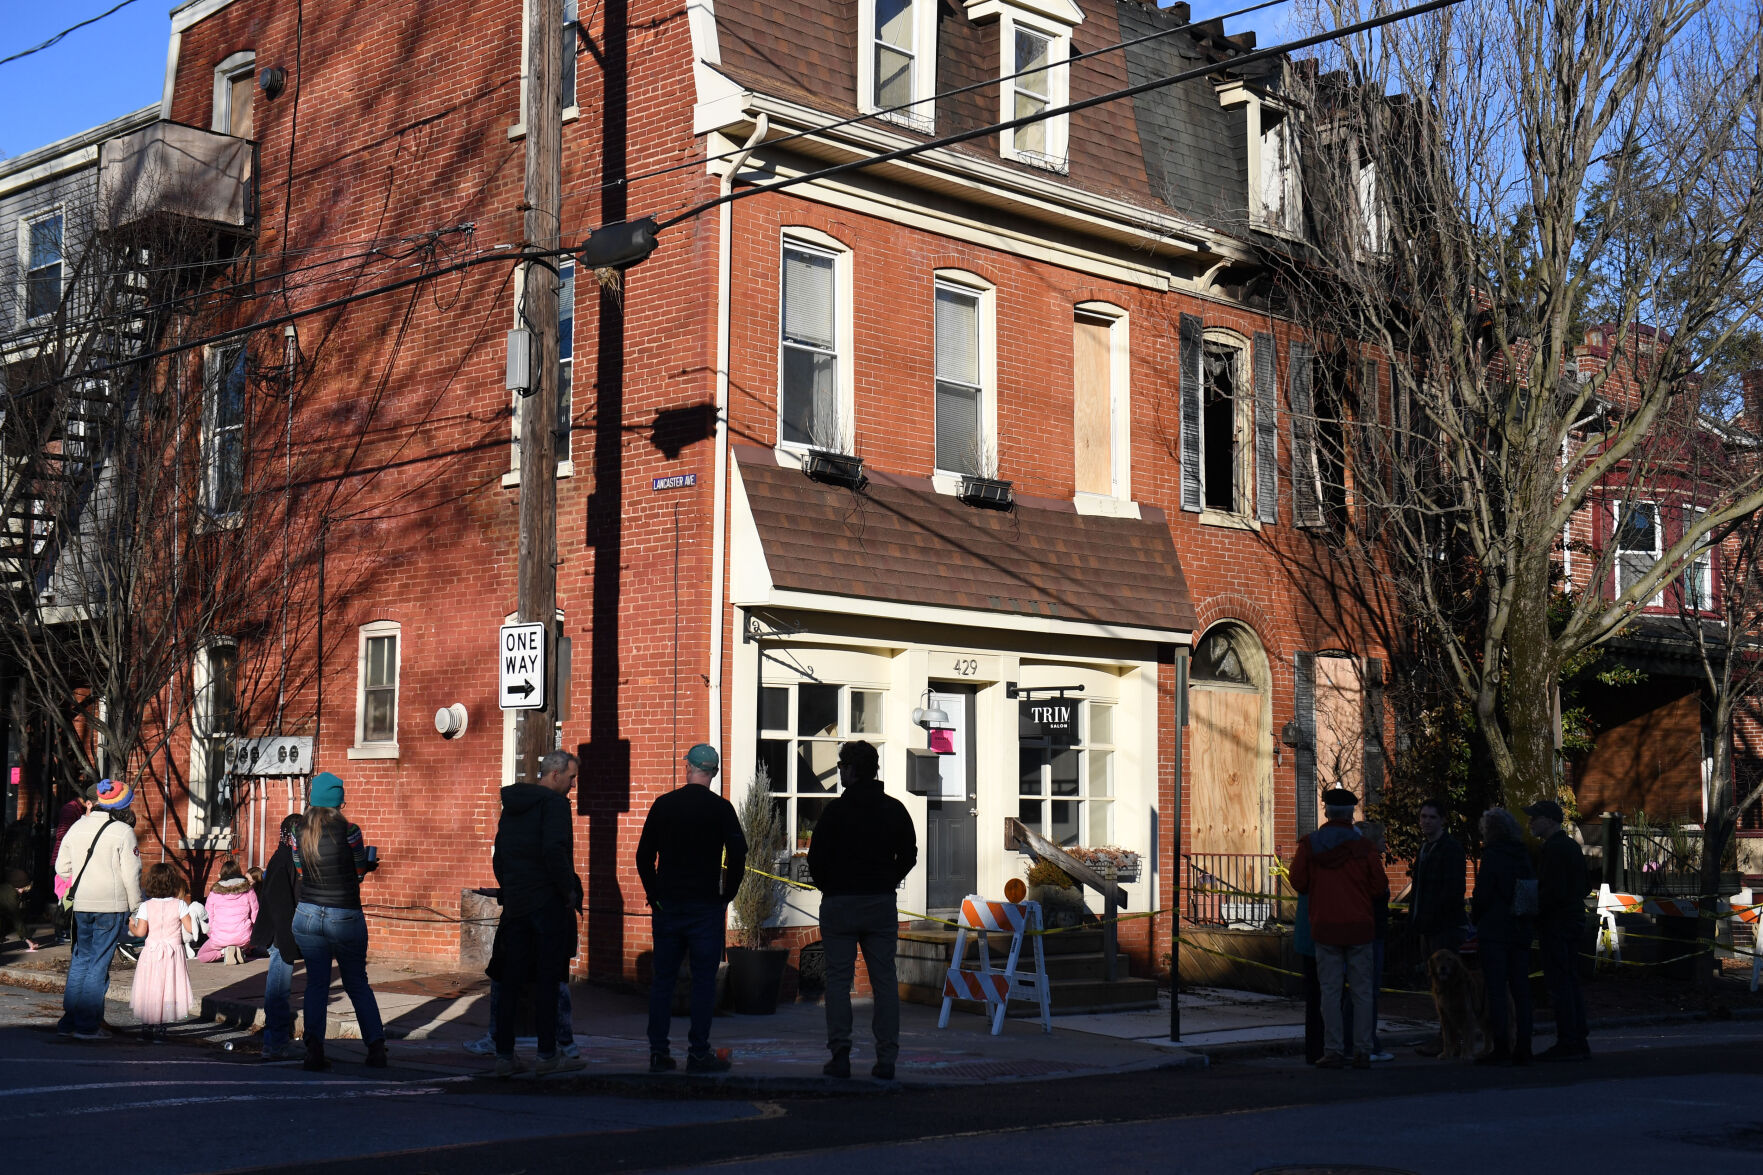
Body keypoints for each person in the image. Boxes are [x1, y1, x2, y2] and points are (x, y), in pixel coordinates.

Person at [807, 740, 917, 1080]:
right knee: (884, 980)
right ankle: (887, 1059)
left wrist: (831, 886)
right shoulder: (894, 809)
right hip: (879, 901)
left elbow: (815, 859)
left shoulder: (835, 812)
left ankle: (840, 1056)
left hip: (840, 902)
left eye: (842, 766)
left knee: (838, 982)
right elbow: (909, 854)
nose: (839, 771)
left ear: (853, 770)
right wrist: (888, 879)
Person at [636, 743, 746, 1075]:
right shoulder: (722, 809)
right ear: (712, 773)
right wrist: (728, 893)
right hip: (705, 906)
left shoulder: (664, 805)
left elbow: (643, 856)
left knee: (663, 980)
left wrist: (654, 893)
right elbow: (739, 855)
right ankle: (698, 1053)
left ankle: (658, 1052)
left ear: (688, 767)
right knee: (703, 981)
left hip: (668, 903)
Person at [488, 749, 586, 1078]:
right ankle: (547, 1055)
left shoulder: (513, 806)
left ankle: (504, 1056)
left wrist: (511, 885)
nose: (573, 786)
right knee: (547, 980)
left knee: (510, 981)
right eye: (571, 778)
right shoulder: (555, 805)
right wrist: (568, 890)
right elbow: (554, 851)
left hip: (516, 903)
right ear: (555, 775)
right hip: (546, 903)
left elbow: (499, 855)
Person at [291, 772, 386, 1071]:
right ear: (338, 802)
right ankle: (376, 1049)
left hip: (307, 913)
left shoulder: (298, 831)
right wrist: (366, 867)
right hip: (344, 913)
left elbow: (302, 872)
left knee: (316, 984)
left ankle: (314, 1050)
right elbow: (357, 871)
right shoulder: (351, 831)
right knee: (357, 983)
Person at [1289, 787, 1388, 1070]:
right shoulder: (1365, 848)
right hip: (1359, 927)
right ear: (1351, 814)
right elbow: (1379, 886)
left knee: (1329, 992)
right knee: (1361, 992)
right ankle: (1362, 1049)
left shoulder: (1310, 844)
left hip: (1325, 926)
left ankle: (1332, 1049)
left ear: (1326, 812)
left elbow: (1298, 882)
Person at [54, 777, 141, 1039]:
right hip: (111, 905)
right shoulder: (123, 832)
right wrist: (136, 907)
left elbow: (62, 868)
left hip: (82, 903)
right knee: (99, 964)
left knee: (81, 960)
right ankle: (88, 1024)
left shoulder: (77, 827)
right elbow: (131, 874)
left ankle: (69, 1019)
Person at [1527, 798, 1590, 1061]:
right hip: (1572, 920)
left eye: (1535, 818)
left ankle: (1568, 1039)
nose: (1530, 823)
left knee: (1559, 982)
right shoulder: (1571, 847)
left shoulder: (1553, 850)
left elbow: (1551, 892)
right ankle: (1577, 1037)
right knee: (1570, 979)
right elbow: (1584, 885)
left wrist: (1534, 908)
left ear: (1550, 821)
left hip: (1557, 923)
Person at [1471, 806, 1535, 1066]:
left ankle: (1501, 1045)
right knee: (1521, 989)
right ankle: (1524, 1044)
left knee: (1497, 990)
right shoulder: (1523, 854)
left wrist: (1476, 915)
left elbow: (1484, 894)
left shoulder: (1493, 856)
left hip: (1495, 930)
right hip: (1520, 929)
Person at [1408, 796, 1468, 1056]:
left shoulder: (1450, 849)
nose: (1426, 822)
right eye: (1423, 817)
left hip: (1444, 927)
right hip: (1426, 926)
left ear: (1442, 820)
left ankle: (1451, 1038)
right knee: (1434, 984)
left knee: (1448, 985)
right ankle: (1445, 1036)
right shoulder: (1424, 849)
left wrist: (1433, 916)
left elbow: (1454, 890)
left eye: (1432, 817)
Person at [251, 815, 303, 1061]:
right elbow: (281, 905)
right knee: (278, 992)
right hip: (280, 935)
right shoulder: (284, 861)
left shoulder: (286, 859)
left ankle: (276, 1041)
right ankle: (275, 1043)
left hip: (280, 933)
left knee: (279, 990)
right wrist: (287, 941)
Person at [129, 863, 194, 1042]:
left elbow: (141, 932)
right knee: (169, 988)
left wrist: (131, 926)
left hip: (151, 952)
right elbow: (189, 927)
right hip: (173, 953)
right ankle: (161, 1028)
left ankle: (146, 1027)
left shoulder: (146, 906)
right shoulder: (180, 905)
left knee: (150, 988)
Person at [1353, 820, 1393, 1063]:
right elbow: (1379, 889)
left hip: (1363, 931)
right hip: (1372, 933)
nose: (1385, 844)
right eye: (1382, 839)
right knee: (1369, 991)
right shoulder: (1371, 863)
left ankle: (1361, 1040)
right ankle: (1369, 1042)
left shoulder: (1354, 863)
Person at [50, 782, 94, 943]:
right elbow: (62, 834)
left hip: (72, 862)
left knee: (69, 900)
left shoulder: (78, 810)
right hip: (65, 861)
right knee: (65, 901)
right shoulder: (70, 810)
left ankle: (66, 930)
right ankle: (61, 931)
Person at [198, 859, 258, 963]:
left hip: (220, 937)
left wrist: (212, 935)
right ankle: (241, 950)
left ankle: (223, 952)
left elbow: (208, 917)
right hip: (243, 937)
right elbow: (255, 914)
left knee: (202, 955)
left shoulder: (214, 891)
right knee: (255, 946)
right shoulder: (248, 889)